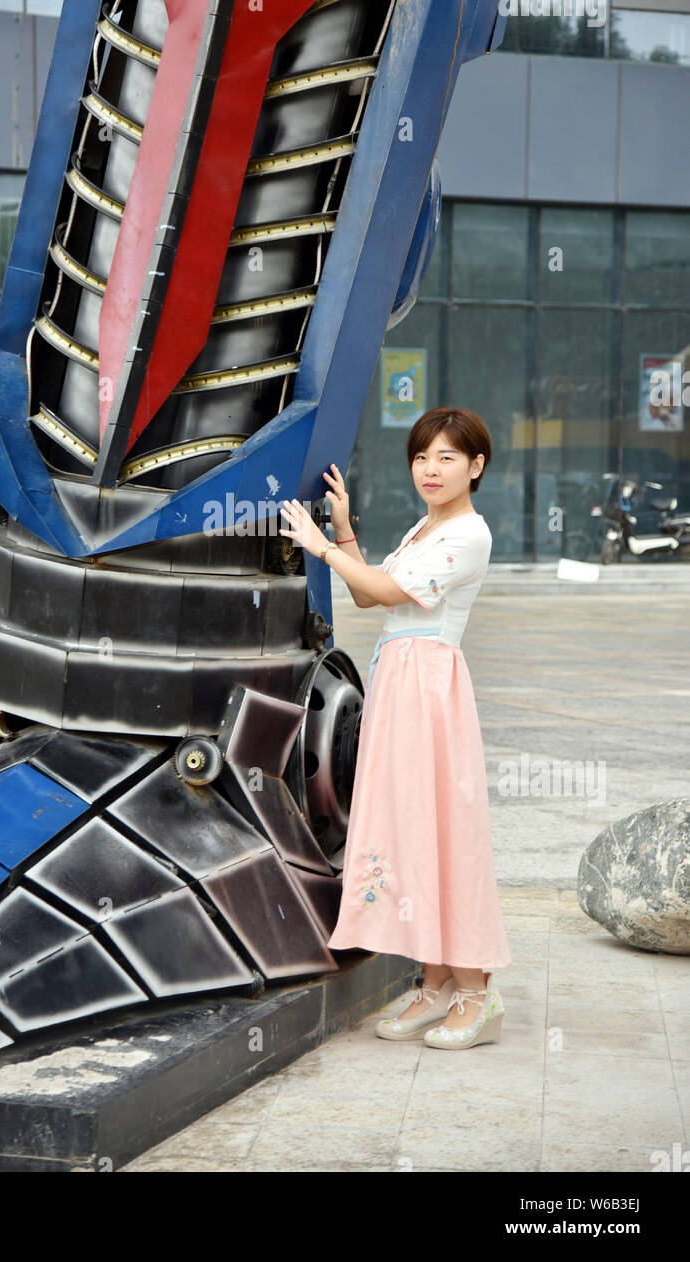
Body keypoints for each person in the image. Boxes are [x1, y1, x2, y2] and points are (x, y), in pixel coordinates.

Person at [279, 405, 510, 1051]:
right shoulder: (425, 527)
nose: (430, 469)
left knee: (441, 832)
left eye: (445, 458)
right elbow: (367, 592)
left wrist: (320, 545)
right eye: (420, 457)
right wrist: (345, 529)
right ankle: (434, 983)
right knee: (409, 830)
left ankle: (476, 992)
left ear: (475, 466)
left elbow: (383, 593)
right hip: (400, 680)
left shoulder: (468, 533)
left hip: (428, 688)